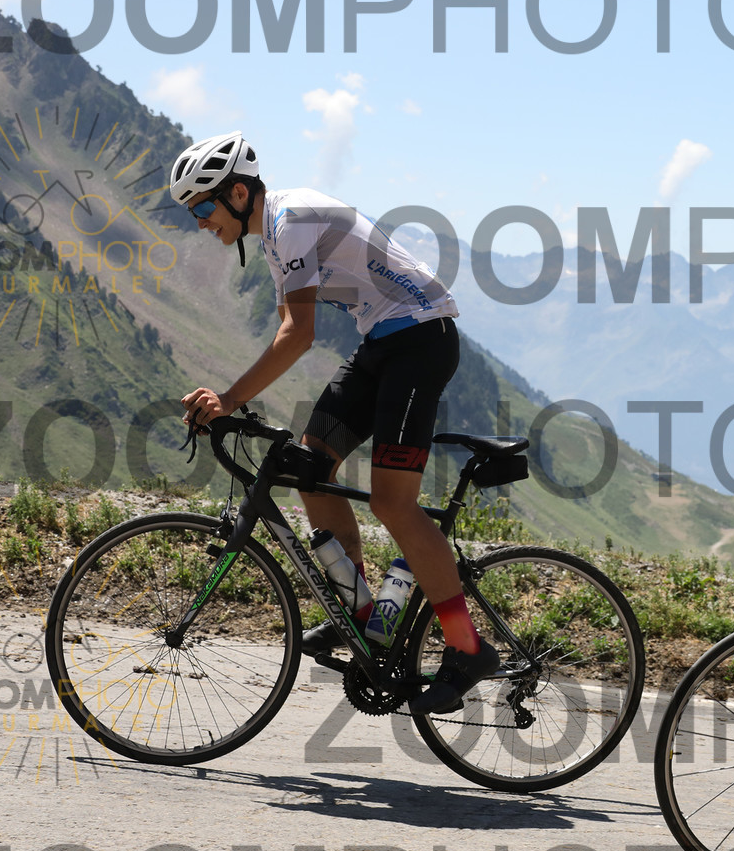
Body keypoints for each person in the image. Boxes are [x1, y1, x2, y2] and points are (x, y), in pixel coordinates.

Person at [170, 130, 497, 714]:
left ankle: (468, 648)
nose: (199, 223)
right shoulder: (275, 237)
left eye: (201, 208)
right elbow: (287, 329)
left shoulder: (290, 219)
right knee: (309, 465)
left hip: (421, 341)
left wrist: (228, 399)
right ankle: (362, 614)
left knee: (393, 503)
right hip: (384, 342)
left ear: (238, 193)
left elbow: (300, 335)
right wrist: (228, 401)